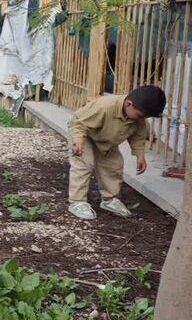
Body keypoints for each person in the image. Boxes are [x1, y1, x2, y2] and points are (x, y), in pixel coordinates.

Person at [68, 85, 167, 220]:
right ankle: (77, 201)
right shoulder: (104, 106)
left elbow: (138, 136)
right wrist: (77, 141)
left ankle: (110, 200)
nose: (140, 119)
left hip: (107, 140)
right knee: (84, 165)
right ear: (128, 104)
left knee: (114, 166)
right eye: (139, 115)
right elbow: (80, 124)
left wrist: (140, 155)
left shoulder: (137, 117)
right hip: (84, 135)